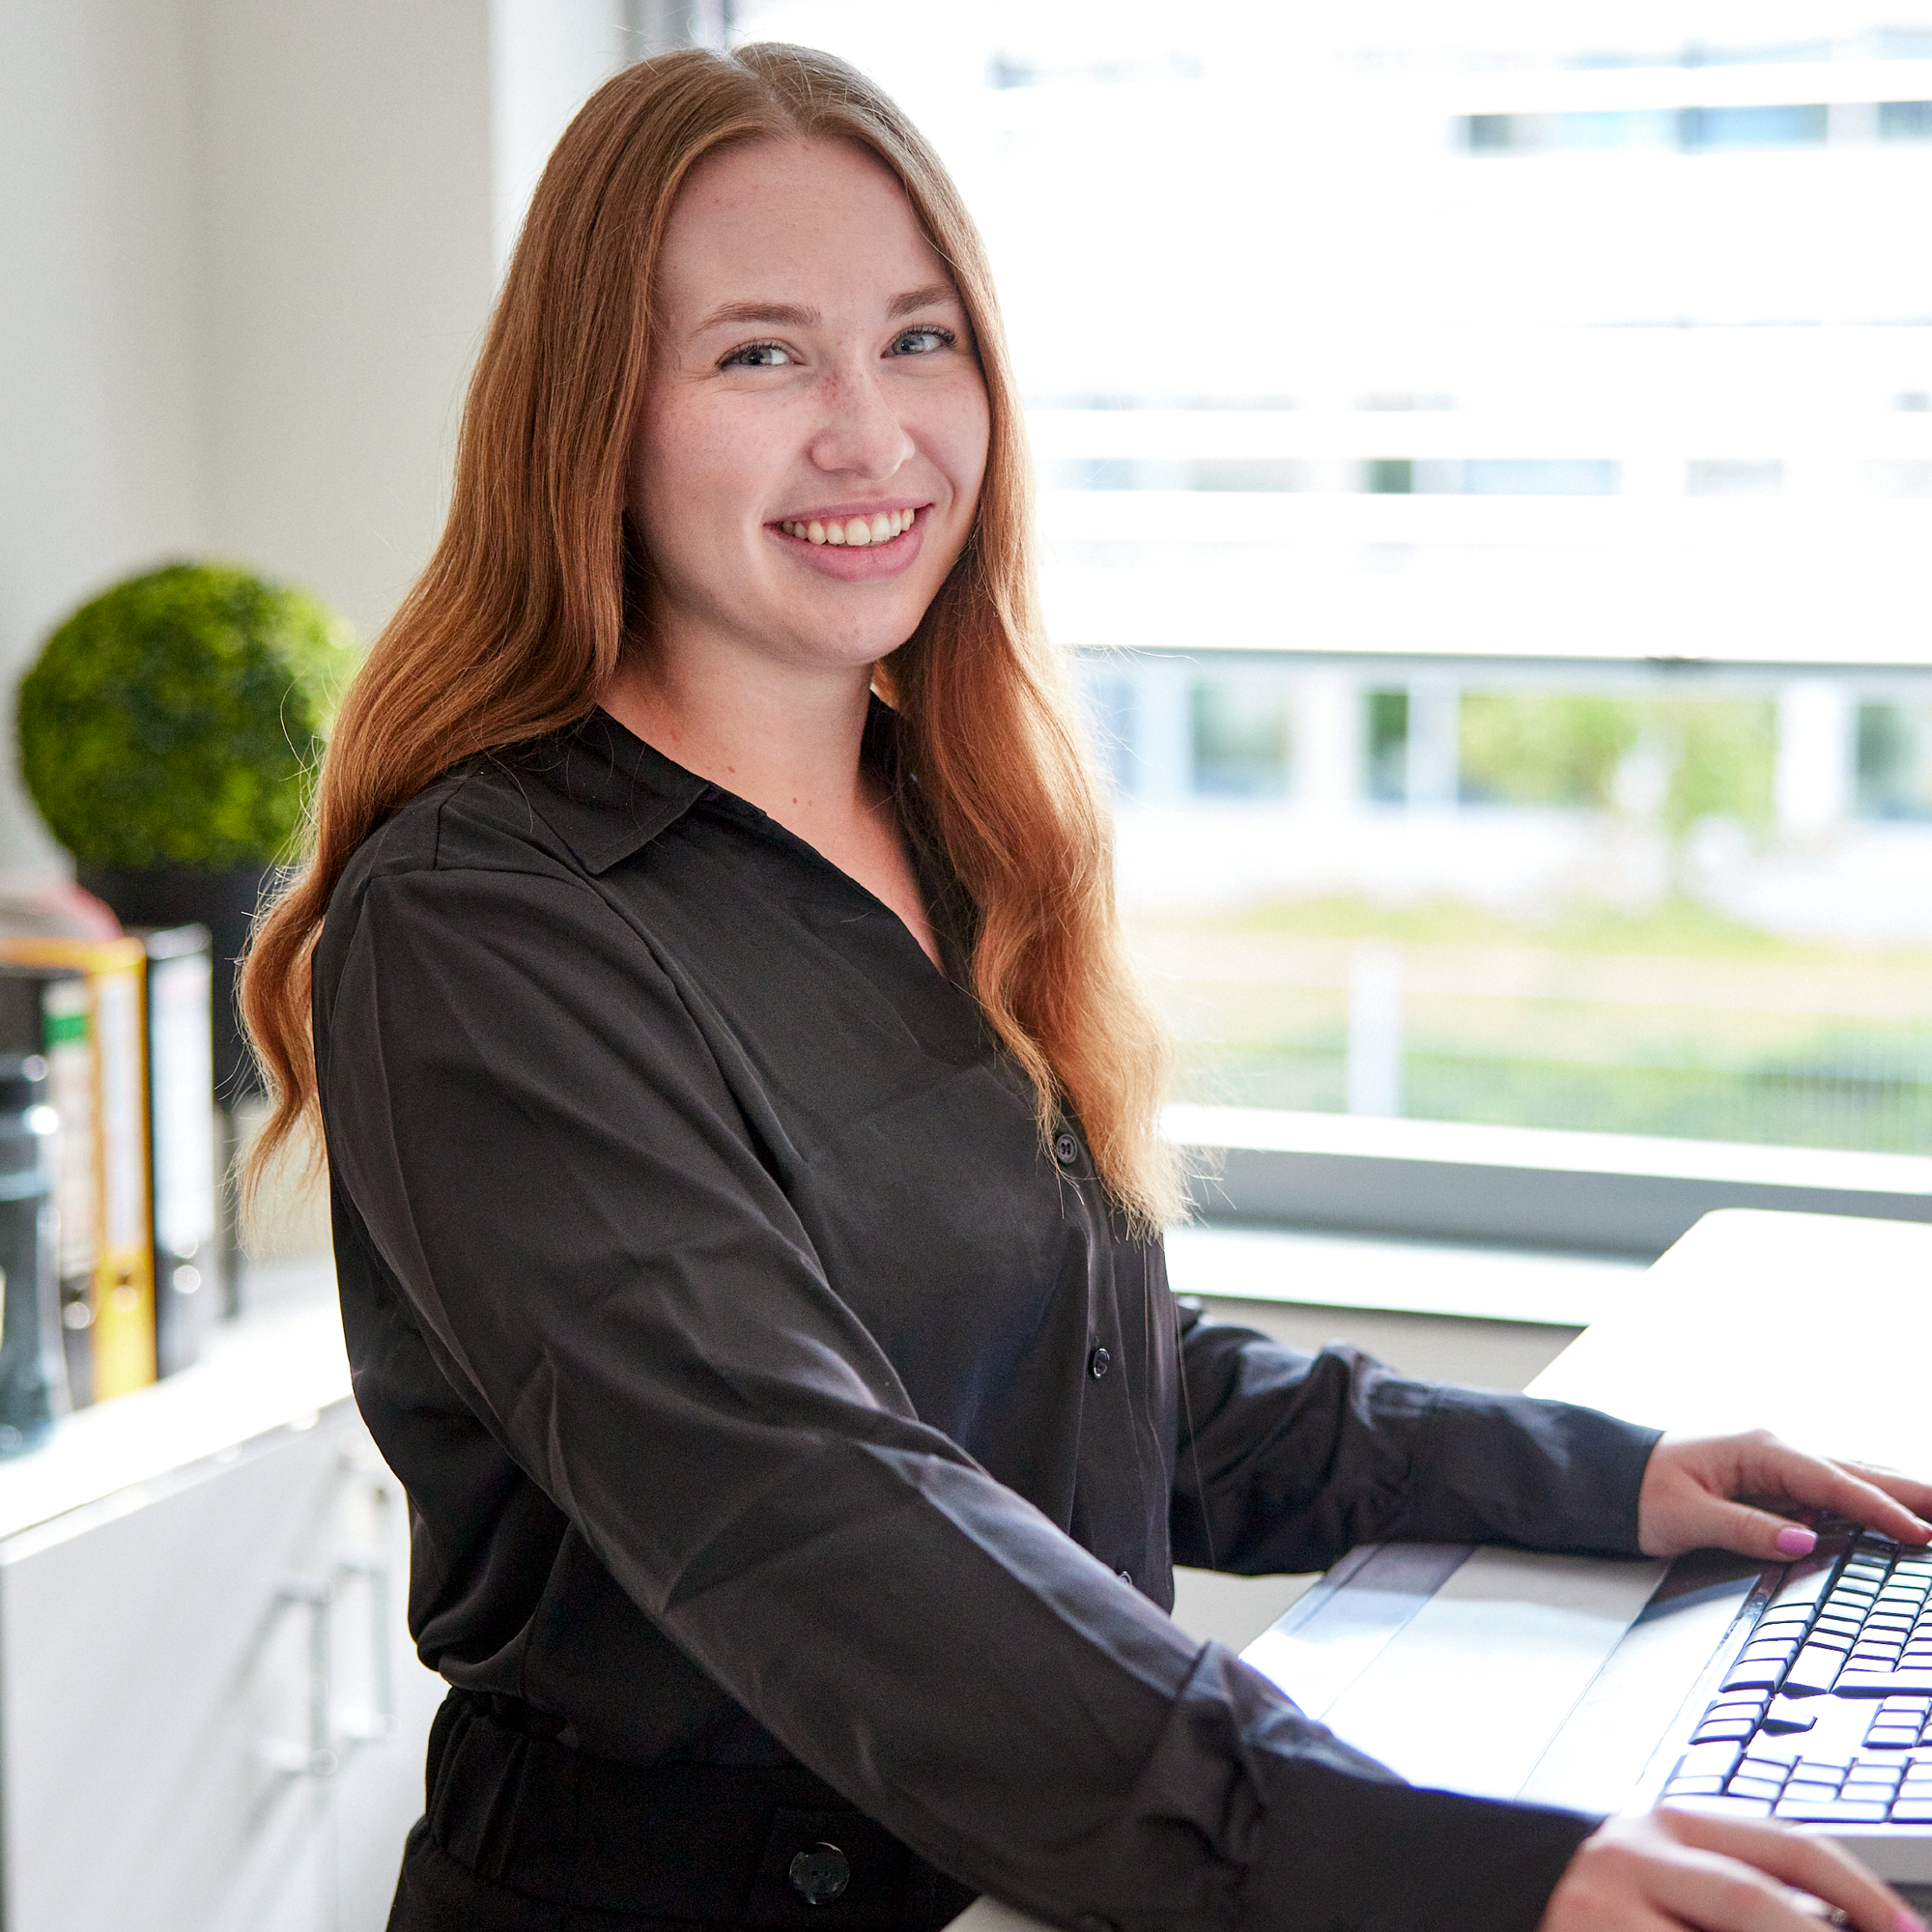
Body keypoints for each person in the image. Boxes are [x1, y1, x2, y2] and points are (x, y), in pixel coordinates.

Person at [242, 43, 1932, 1932]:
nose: (871, 437)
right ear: (593, 415)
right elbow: (807, 1508)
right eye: (760, 354)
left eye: (920, 338)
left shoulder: (946, 820)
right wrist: (1443, 1871)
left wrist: (1602, 1480)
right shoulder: (484, 924)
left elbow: (1099, 1384)